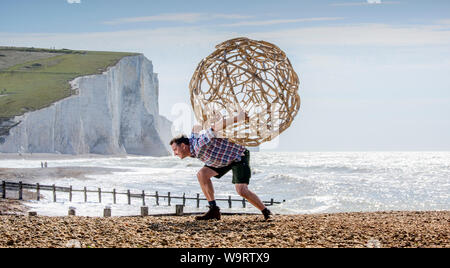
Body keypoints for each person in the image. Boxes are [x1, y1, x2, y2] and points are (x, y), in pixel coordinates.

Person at [170, 110, 272, 221]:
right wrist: (210, 120)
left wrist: (238, 117)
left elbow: (215, 128)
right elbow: (196, 128)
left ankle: (266, 212)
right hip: (221, 161)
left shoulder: (199, 145)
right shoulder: (192, 141)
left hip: (238, 156)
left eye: (175, 149)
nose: (175, 153)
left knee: (241, 190)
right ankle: (214, 210)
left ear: (184, 146)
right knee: (202, 174)